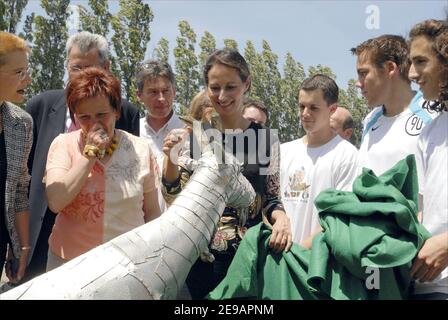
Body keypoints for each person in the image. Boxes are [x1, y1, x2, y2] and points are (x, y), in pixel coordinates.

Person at [162, 48, 292, 299]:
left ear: (247, 84)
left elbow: (271, 199)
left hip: (246, 263)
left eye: (230, 87)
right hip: (197, 262)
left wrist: (282, 219)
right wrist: (170, 158)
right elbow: (173, 197)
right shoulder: (198, 136)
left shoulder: (266, 140)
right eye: (215, 87)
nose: (222, 96)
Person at [25, 31, 140, 280]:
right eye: (75, 68)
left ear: (106, 68)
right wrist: (19, 238)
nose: (81, 76)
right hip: (41, 230)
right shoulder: (40, 106)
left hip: (104, 240)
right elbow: (23, 177)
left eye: (89, 68)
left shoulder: (127, 113)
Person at [44, 67, 161, 270]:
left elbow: (152, 212)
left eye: (101, 115)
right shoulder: (63, 145)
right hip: (69, 263)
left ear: (116, 111)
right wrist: (89, 155)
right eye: (84, 117)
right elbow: (56, 201)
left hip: (126, 264)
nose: (94, 124)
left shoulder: (140, 149)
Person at [280, 74, 358, 247]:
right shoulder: (282, 152)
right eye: (302, 106)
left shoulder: (348, 155)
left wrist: (298, 252)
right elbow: (268, 205)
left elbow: (338, 217)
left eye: (313, 108)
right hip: (277, 260)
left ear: (332, 109)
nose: (305, 114)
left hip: (315, 263)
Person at [351, 34, 435, 176]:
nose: (358, 83)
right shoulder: (370, 120)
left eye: (363, 73)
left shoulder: (434, 113)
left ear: (390, 68)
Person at [408, 19, 448, 300]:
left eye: (421, 61)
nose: (412, 73)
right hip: (426, 286)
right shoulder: (429, 132)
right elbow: (422, 210)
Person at [0, 32, 33, 283]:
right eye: (19, 72)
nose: (28, 79)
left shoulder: (21, 123)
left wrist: (22, 247)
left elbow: (20, 190)